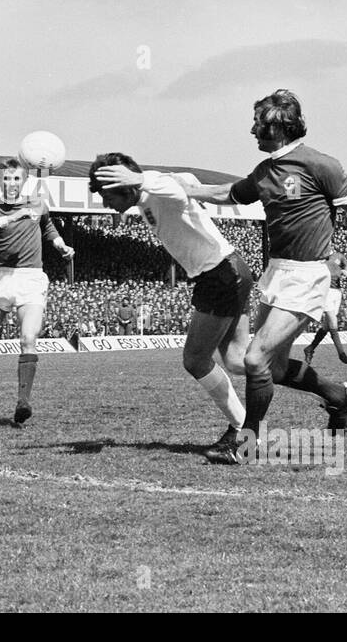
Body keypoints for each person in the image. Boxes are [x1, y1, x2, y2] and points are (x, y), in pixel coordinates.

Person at [175, 90, 347, 445]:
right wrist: (190, 190)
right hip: (276, 273)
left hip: (308, 275)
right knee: (273, 368)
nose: (252, 131)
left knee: (255, 358)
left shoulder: (319, 163)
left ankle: (245, 443)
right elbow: (230, 194)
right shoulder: (264, 172)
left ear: (280, 126)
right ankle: (338, 394)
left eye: (258, 124)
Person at [90, 153, 255, 463]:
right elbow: (187, 181)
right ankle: (327, 389)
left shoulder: (154, 189)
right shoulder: (147, 192)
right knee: (236, 360)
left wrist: (140, 180)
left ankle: (243, 428)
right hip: (227, 272)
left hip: (221, 273)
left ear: (124, 185)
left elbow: (177, 190)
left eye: (106, 194)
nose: (105, 203)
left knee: (195, 359)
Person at [0, 159, 76, 425]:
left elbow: (47, 227)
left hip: (30, 277)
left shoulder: (37, 203)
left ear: (24, 181)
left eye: (16, 179)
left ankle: (23, 402)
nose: (11, 183)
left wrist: (61, 246)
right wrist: (11, 217)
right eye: (6, 179)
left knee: (28, 338)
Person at [303, 251, 347, 366]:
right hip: (326, 291)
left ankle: (310, 349)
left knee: (327, 325)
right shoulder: (318, 258)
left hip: (337, 292)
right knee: (333, 321)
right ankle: (341, 353)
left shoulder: (339, 256)